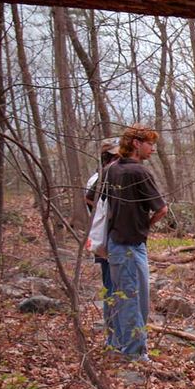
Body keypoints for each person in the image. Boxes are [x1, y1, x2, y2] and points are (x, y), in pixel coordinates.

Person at [103, 124, 169, 361]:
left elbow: (92, 199)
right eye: (150, 144)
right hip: (129, 244)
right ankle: (133, 353)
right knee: (133, 299)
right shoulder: (137, 172)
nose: (153, 149)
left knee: (120, 295)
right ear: (136, 143)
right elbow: (161, 209)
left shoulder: (111, 170)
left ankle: (117, 345)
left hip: (115, 242)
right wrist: (144, 225)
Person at [85, 138, 121, 331]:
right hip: (105, 239)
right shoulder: (99, 179)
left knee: (113, 284)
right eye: (117, 155)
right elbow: (91, 201)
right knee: (111, 284)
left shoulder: (106, 176)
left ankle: (113, 328)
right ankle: (112, 329)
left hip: (107, 239)